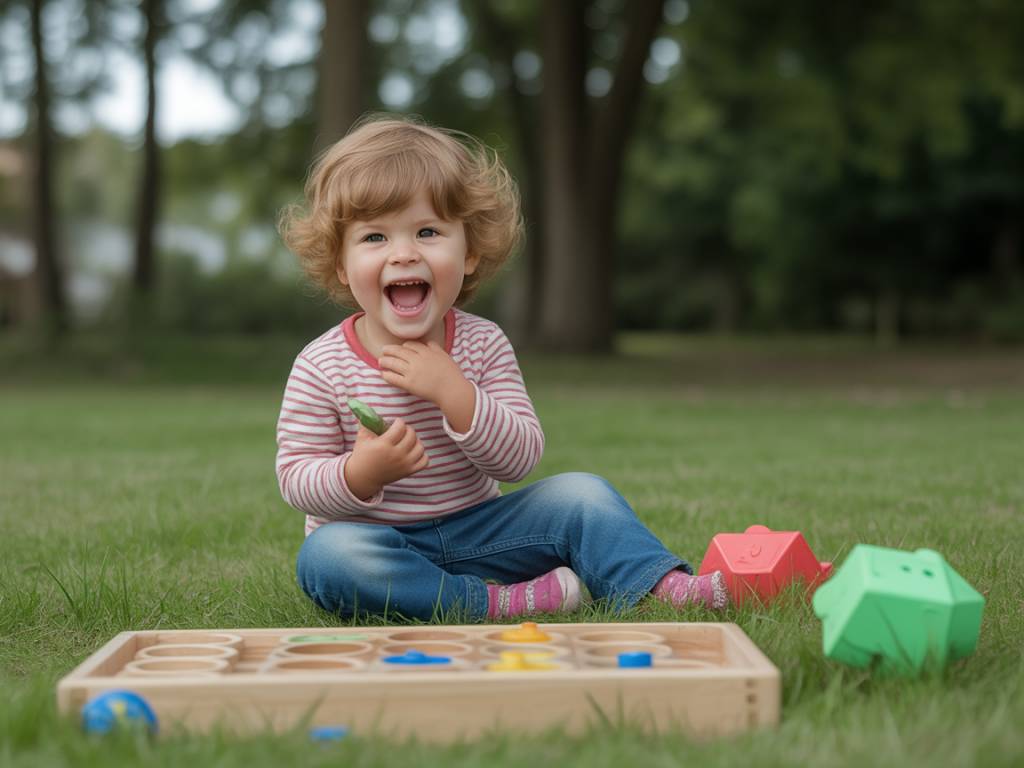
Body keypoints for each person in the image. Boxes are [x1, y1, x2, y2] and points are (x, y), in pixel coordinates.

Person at [275, 114, 728, 621]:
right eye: (374, 238)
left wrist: (457, 395)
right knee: (326, 559)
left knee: (582, 493)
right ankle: (494, 602)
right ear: (341, 264)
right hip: (378, 543)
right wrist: (360, 473)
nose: (403, 254)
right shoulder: (321, 365)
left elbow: (520, 461)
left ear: (469, 252)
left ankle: (659, 585)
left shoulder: (482, 344)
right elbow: (296, 478)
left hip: (482, 532)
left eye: (428, 231)